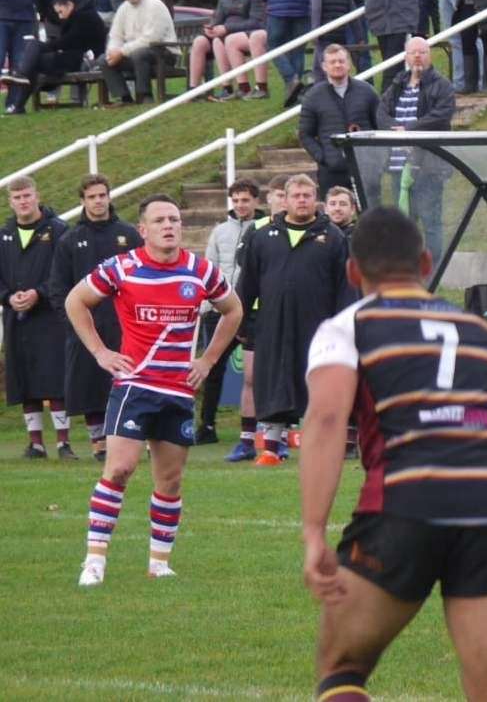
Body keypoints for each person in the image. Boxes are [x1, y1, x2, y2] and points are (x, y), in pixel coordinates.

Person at [301, 206, 487, 702]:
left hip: (401, 506)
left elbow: (325, 422)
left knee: (342, 667)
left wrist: (314, 532)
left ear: (352, 271)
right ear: (427, 264)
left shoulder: (349, 327)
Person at [66, 194, 243, 586]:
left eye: (175, 220)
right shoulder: (122, 268)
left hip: (178, 390)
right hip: (135, 385)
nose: (170, 226)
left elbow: (234, 310)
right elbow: (76, 300)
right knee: (120, 469)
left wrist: (208, 360)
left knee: (171, 480)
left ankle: (159, 563)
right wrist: (100, 352)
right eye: (161, 220)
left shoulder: (201, 271)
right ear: (142, 230)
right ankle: (94, 561)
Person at [239, 174, 349, 467]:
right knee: (274, 383)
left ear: (316, 200)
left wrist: (342, 327)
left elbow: (345, 287)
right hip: (273, 325)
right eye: (296, 195)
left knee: (316, 385)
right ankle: (271, 450)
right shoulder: (262, 237)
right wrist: (242, 322)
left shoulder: (333, 238)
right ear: (284, 199)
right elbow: (247, 283)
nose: (302, 200)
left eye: (307, 195)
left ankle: (321, 448)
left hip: (318, 327)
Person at [48, 175, 140, 462]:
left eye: (102, 195)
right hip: (87, 328)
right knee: (89, 384)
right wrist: (73, 322)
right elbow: (58, 288)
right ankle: (98, 443)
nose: (98, 201)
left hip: (126, 326)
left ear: (109, 197)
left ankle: (131, 438)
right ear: (83, 201)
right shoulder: (70, 240)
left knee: (129, 383)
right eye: (92, 197)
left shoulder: (128, 235)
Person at [3, 177, 71, 457]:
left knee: (54, 378)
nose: (23, 201)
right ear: (11, 201)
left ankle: (63, 443)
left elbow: (65, 273)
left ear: (37, 196)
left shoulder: (58, 230)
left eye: (27, 195)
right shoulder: (3, 235)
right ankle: (35, 443)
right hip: (16, 318)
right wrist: (8, 297)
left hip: (50, 316)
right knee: (24, 379)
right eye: (17, 197)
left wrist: (39, 293)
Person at [377, 37, 454, 260]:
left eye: (422, 52)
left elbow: (441, 116)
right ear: (406, 57)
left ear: (429, 55)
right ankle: (406, 271)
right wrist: (394, 130)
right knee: (403, 224)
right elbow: (381, 112)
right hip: (397, 166)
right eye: (413, 53)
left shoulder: (442, 85)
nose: (418, 56)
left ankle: (433, 274)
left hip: (428, 167)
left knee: (431, 222)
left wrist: (409, 130)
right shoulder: (397, 83)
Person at [198, 179, 260, 448]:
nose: (240, 205)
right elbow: (209, 267)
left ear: (256, 201)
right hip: (221, 309)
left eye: (245, 200)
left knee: (256, 373)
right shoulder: (220, 231)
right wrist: (209, 303)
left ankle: (263, 426)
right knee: (211, 367)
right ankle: (207, 425)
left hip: (254, 311)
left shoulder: (265, 228)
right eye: (235, 200)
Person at [299, 45, 381, 193]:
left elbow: (381, 126)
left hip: (366, 169)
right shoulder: (313, 97)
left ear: (348, 64)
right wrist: (324, 158)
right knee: (333, 215)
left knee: (369, 215)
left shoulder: (367, 91)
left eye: (341, 61)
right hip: (332, 173)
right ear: (324, 66)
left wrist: (377, 159)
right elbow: (305, 134)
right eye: (332, 62)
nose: (337, 65)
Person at [188, 0, 268, 101]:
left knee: (222, 40)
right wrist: (212, 27)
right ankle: (194, 91)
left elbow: (256, 22)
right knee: (199, 42)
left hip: (246, 32)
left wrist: (226, 29)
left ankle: (238, 86)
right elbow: (218, 17)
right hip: (225, 31)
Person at [100, 0, 177, 104]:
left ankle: (145, 96)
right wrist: (113, 51)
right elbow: (115, 36)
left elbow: (151, 39)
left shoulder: (155, 5)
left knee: (139, 54)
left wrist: (122, 52)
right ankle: (124, 99)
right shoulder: (123, 8)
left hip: (163, 53)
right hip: (135, 53)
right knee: (104, 59)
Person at [31, 0, 107, 105]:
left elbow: (69, 40)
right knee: (51, 59)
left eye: (60, 12)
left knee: (48, 59)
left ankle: (71, 99)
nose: (60, 17)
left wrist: (44, 47)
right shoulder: (80, 14)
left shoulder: (83, 17)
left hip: (90, 57)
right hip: (82, 55)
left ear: (69, 5)